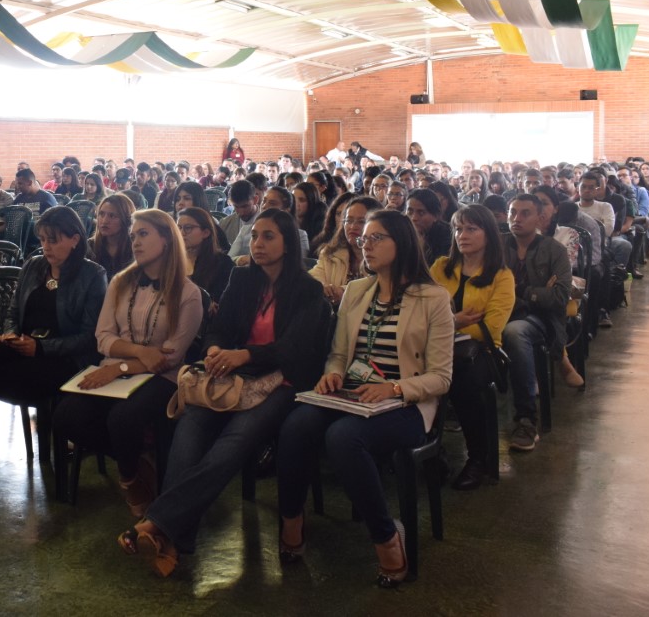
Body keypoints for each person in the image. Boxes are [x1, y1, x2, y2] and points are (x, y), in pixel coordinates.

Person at [125, 209, 333, 577]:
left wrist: (246, 354)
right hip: (231, 374)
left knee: (234, 442)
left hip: (282, 381)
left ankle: (160, 525)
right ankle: (172, 536)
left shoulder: (307, 289)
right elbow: (218, 328)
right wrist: (216, 351)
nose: (257, 244)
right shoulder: (242, 279)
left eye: (268, 236)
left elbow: (296, 349)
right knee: (191, 424)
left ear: (287, 243)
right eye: (254, 236)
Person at [277, 209, 454, 586]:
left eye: (376, 238)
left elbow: (441, 377)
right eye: (363, 239)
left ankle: (387, 535)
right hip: (353, 392)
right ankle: (291, 519)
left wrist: (393, 388)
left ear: (401, 242)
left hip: (405, 403)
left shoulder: (434, 298)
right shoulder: (358, 291)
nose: (365, 245)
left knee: (342, 437)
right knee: (296, 426)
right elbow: (340, 353)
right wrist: (333, 374)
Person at [0, 207, 107, 512]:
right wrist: (11, 335)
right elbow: (12, 313)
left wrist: (41, 348)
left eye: (54, 240)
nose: (46, 246)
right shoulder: (33, 266)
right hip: (23, 352)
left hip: (62, 363)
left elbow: (90, 338)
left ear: (74, 239)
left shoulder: (92, 275)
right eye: (43, 239)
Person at [53, 210, 203, 517]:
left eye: (144, 234)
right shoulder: (121, 282)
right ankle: (137, 462)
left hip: (163, 379)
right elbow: (103, 337)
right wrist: (138, 353)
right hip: (115, 369)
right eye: (133, 235)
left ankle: (130, 479)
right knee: (66, 415)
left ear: (166, 238)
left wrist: (121, 366)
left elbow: (169, 357)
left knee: (123, 418)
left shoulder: (188, 293)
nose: (135, 241)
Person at [430, 204, 515, 490]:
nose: (461, 235)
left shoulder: (501, 276)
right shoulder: (441, 267)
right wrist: (453, 322)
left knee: (464, 379)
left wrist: (446, 324)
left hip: (479, 352)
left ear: (488, 234)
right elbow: (421, 311)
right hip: (434, 345)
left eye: (471, 229)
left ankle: (478, 458)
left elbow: (489, 328)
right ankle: (431, 451)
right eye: (457, 228)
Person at [500, 194, 573, 451]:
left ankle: (526, 418)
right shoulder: (498, 245)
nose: (516, 219)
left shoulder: (554, 250)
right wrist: (535, 292)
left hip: (540, 321)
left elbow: (560, 297)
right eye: (512, 212)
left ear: (540, 218)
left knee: (515, 332)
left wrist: (521, 291)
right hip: (499, 313)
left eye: (524, 213)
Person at [310, 196, 382, 306]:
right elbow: (313, 277)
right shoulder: (330, 253)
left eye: (361, 221)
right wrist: (323, 287)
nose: (353, 227)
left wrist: (344, 291)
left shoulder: (382, 256)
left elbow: (375, 286)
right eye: (349, 220)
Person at [177, 206, 234, 304]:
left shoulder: (222, 263)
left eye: (188, 228)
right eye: (179, 227)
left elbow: (219, 303)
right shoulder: (171, 260)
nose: (181, 233)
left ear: (206, 232)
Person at [87, 193, 135, 280]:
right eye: (101, 214)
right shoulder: (90, 246)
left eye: (112, 216)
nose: (104, 221)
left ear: (126, 220)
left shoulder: (135, 248)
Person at [405, 188, 451, 266]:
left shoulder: (447, 239)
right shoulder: (402, 233)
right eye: (410, 211)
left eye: (421, 212)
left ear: (436, 215)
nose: (413, 218)